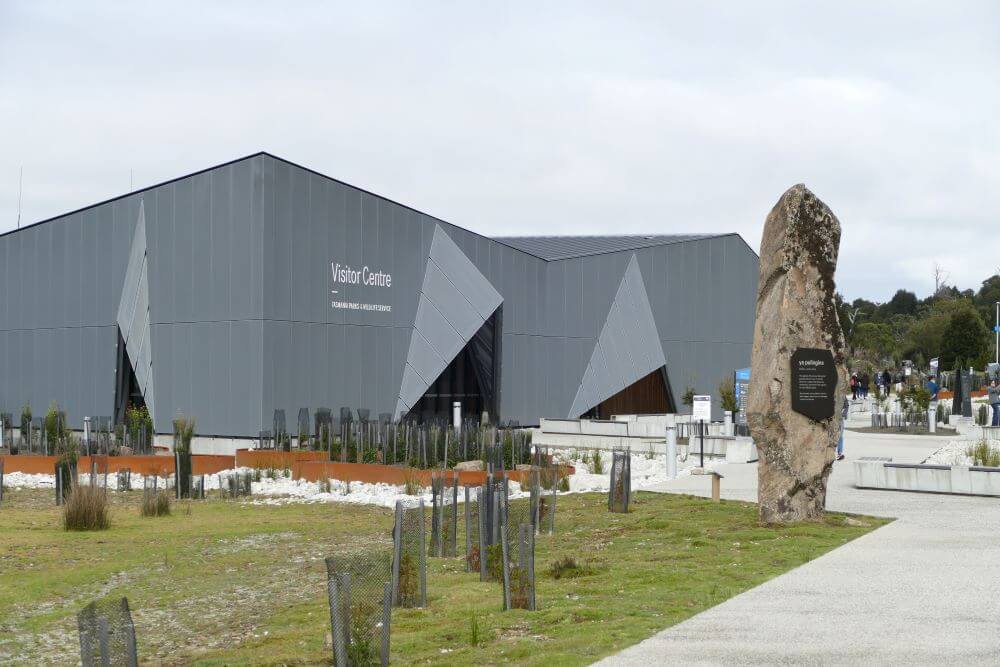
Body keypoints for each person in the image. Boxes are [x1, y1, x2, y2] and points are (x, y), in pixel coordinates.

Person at [837, 395, 849, 460]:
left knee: (840, 436)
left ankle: (840, 453)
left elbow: (846, 406)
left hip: (839, 418)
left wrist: (843, 414)